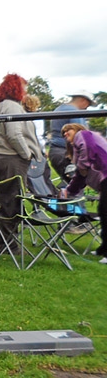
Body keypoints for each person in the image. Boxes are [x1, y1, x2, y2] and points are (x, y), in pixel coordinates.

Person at [0, 73, 43, 255]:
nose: (26, 92)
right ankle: (9, 246)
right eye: (24, 88)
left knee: (4, 202)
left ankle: (6, 244)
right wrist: (26, 154)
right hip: (10, 158)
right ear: (16, 88)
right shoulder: (12, 106)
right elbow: (14, 134)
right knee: (12, 203)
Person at [60, 123, 107, 263]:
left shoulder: (84, 135)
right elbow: (80, 176)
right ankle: (103, 249)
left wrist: (83, 166)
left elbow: (87, 155)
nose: (65, 133)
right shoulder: (78, 148)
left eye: (68, 130)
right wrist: (69, 191)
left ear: (77, 129)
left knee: (106, 212)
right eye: (63, 132)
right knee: (103, 212)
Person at [48, 91, 94, 183]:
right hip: (68, 154)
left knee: (70, 183)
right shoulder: (76, 113)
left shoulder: (58, 109)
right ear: (83, 100)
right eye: (88, 105)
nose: (86, 108)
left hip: (55, 153)